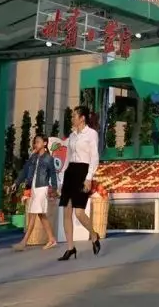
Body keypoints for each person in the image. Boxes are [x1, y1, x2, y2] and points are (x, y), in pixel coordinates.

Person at [59, 105, 101, 260]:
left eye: (74, 116)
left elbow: (94, 157)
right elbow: (68, 158)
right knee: (66, 211)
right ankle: (70, 248)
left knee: (79, 212)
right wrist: (61, 178)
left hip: (83, 172)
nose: (72, 118)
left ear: (82, 118)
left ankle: (94, 235)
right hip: (70, 172)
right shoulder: (72, 135)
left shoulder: (91, 134)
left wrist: (89, 177)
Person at [11, 134, 58, 251]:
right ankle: (52, 239)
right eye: (35, 142)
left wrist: (54, 188)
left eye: (38, 142)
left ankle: (23, 242)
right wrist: (16, 183)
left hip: (42, 188)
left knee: (32, 215)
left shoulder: (48, 158)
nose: (35, 144)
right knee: (41, 215)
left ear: (45, 143)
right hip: (34, 188)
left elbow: (53, 174)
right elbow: (24, 171)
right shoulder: (33, 157)